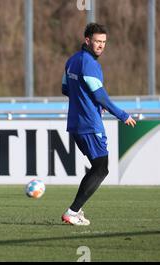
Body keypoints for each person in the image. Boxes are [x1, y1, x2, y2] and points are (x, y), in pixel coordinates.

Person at [61, 23, 136, 226]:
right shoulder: (90, 64)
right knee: (101, 168)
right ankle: (72, 211)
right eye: (97, 41)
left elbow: (65, 88)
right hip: (89, 125)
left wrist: (86, 100)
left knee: (97, 167)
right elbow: (101, 96)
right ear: (87, 40)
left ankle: (75, 209)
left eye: (104, 42)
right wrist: (122, 115)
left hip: (76, 124)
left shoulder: (71, 61)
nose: (101, 46)